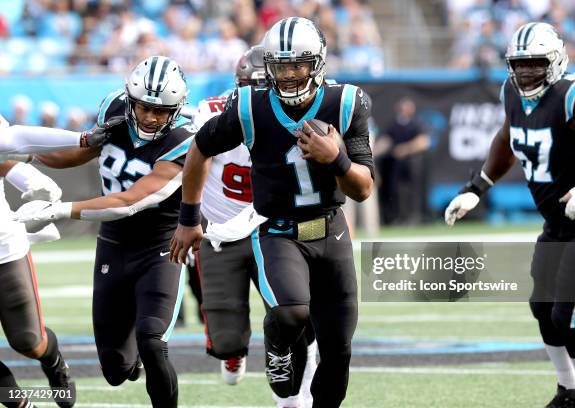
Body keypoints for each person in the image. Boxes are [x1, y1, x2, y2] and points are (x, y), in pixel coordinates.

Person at [170, 17, 374, 408]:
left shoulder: (345, 103)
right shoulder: (250, 105)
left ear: (317, 63)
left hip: (332, 230)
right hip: (278, 231)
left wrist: (338, 161)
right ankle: (277, 340)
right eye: (281, 66)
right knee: (292, 313)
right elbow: (200, 149)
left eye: (298, 65)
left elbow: (363, 188)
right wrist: (189, 218)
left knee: (338, 348)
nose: (290, 75)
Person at [445, 22, 575, 407]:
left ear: (554, 61)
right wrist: (478, 186)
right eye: (518, 65)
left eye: (535, 64)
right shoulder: (512, 93)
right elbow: (507, 137)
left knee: (567, 314)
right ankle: (568, 390)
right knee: (542, 307)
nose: (525, 73)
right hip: (557, 223)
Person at [16, 56, 197, 408]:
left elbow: (129, 201)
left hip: (160, 247)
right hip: (114, 245)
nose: (151, 117)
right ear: (131, 99)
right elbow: (74, 154)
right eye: (145, 107)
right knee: (116, 370)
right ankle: (131, 362)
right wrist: (26, 153)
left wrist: (60, 208)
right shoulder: (114, 107)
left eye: (162, 111)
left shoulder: (182, 140)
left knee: (152, 340)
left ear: (176, 110)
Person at [188, 45, 317, 408]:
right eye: (253, 88)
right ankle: (234, 349)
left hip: (275, 229)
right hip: (222, 231)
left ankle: (295, 398)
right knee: (226, 337)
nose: (260, 96)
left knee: (293, 315)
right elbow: (191, 163)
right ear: (239, 87)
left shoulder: (297, 114)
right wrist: (187, 219)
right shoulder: (211, 111)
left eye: (266, 87)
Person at [0, 114, 115, 408]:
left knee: (28, 340)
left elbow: (12, 142)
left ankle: (54, 363)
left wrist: (82, 139)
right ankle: (21, 405)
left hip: (3, 250)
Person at [375, 97, 430, 224]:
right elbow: (387, 141)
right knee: (397, 191)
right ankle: (398, 217)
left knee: (413, 192)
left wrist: (405, 149)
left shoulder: (417, 123)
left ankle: (414, 217)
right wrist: (372, 152)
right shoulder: (395, 124)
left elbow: (424, 142)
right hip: (397, 166)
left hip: (413, 164)